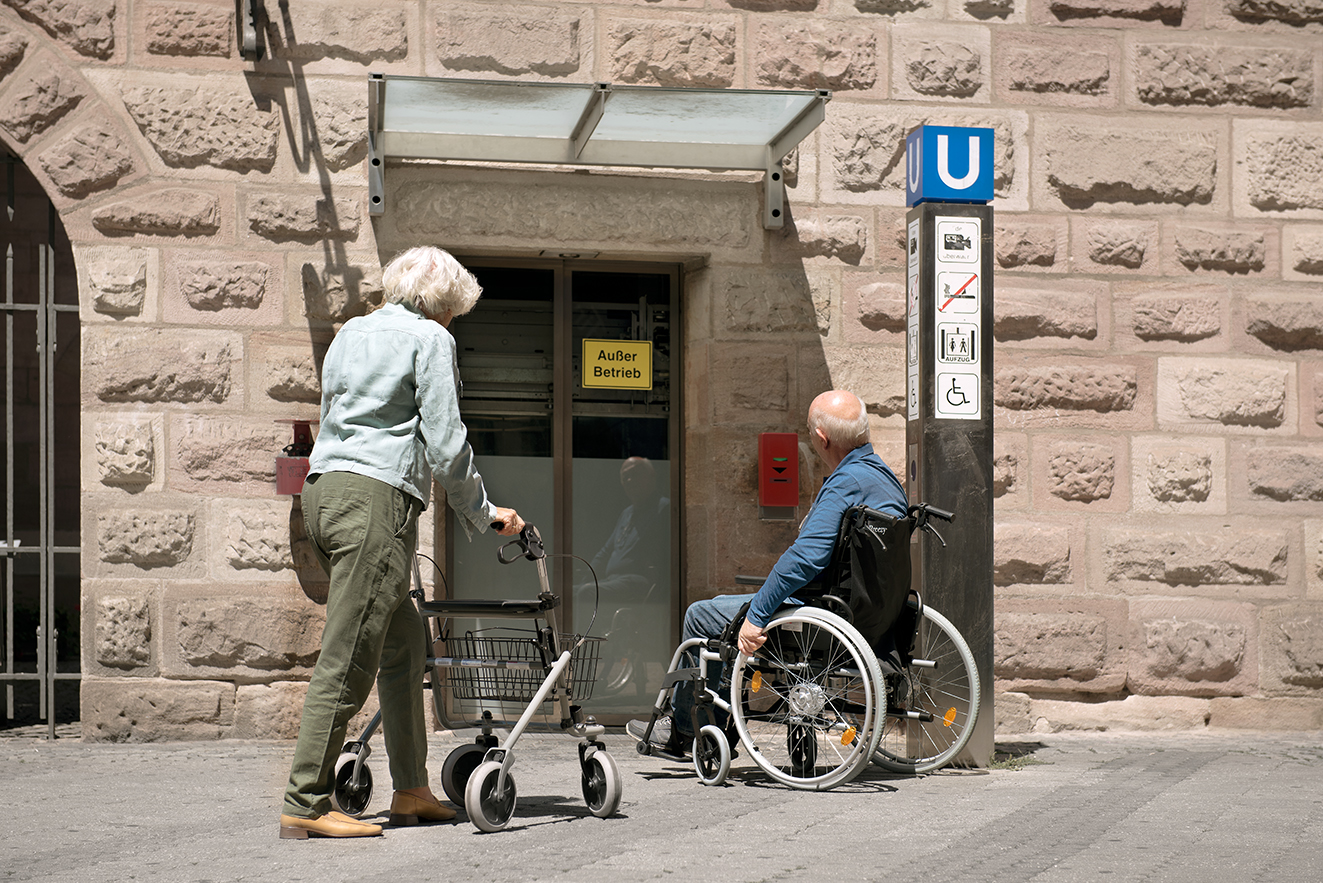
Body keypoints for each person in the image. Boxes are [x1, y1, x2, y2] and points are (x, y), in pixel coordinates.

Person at [280, 246, 524, 840]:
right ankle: (305, 801)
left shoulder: (350, 333)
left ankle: (411, 789)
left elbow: (336, 413)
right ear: (441, 305)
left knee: (403, 644)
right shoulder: (430, 340)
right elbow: (445, 441)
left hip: (325, 490)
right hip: (374, 500)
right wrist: (485, 513)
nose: (451, 325)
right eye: (453, 313)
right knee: (349, 651)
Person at [626, 389, 906, 754]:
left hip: (823, 613)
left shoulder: (845, 482)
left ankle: (685, 731)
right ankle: (713, 722)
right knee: (729, 602)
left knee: (701, 615)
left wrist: (757, 615)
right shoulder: (885, 480)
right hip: (870, 613)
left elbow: (806, 558)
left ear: (821, 439)